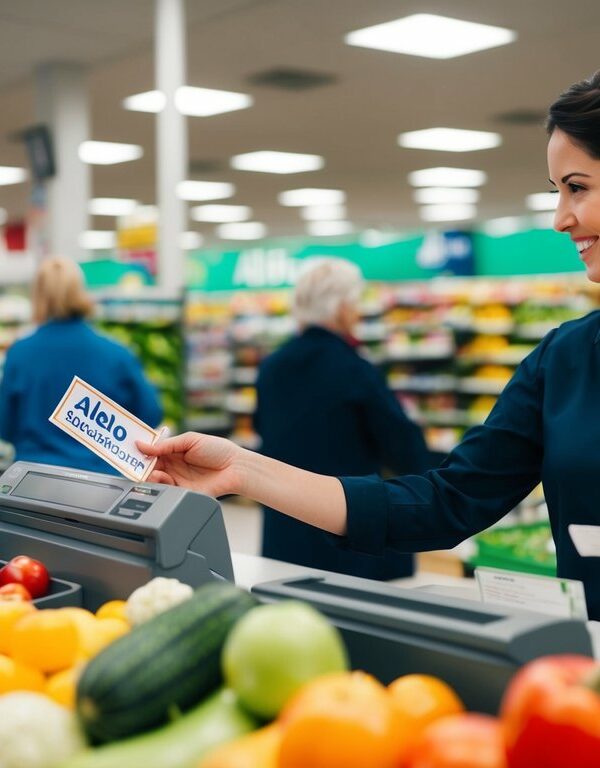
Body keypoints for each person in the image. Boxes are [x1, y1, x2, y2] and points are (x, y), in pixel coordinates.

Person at [139, 70, 600, 619]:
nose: (559, 220)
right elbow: (444, 502)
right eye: (557, 193)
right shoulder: (565, 361)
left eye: (577, 187)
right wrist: (243, 470)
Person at [254, 258, 431, 579]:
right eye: (354, 303)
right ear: (340, 309)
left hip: (285, 523)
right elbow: (402, 446)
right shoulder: (353, 368)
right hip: (343, 525)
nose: (358, 313)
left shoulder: (272, 365)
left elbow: (261, 429)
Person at [0, 256, 163, 474]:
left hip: (33, 479)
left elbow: (6, 425)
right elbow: (150, 414)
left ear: (38, 296)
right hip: (102, 481)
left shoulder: (20, 353)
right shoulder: (116, 353)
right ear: (80, 292)